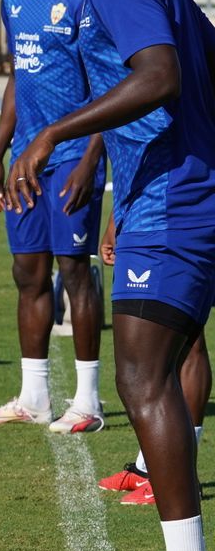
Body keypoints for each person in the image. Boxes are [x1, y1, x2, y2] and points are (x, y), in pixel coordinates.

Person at [9, 0, 215, 551]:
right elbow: (205, 60)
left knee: (140, 375)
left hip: (174, 204)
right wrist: (115, 178)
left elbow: (159, 77)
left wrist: (59, 132)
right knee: (170, 363)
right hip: (176, 196)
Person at [0, 0, 107, 431]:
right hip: (26, 164)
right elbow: (18, 74)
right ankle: (34, 398)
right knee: (28, 275)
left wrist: (91, 160)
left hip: (72, 156)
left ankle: (89, 404)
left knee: (74, 273)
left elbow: (109, 85)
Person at [95, 215, 212, 506]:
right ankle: (149, 468)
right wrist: (115, 221)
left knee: (184, 343)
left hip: (180, 221)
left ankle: (182, 477)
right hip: (152, 218)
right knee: (176, 347)